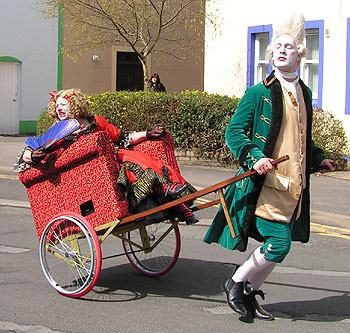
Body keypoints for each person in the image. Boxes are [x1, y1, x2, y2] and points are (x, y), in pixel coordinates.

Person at [203, 10, 335, 320]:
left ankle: (249, 293)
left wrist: (319, 158)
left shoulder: (305, 92)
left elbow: (301, 137)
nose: (280, 50)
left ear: (300, 55)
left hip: (294, 187)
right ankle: (235, 283)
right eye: (276, 47)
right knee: (279, 242)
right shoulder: (258, 92)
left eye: (287, 47)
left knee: (281, 245)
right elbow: (234, 132)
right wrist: (255, 156)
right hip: (266, 185)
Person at [15, 89, 198, 225]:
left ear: (75, 104)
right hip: (88, 176)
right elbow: (24, 155)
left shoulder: (97, 122)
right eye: (57, 106)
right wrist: (32, 155)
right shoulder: (57, 134)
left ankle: (174, 200)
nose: (59, 108)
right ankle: (164, 191)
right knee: (129, 166)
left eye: (63, 104)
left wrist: (147, 134)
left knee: (137, 159)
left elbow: (123, 136)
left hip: (111, 162)